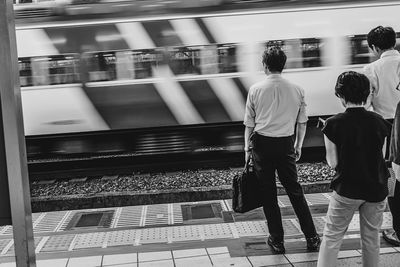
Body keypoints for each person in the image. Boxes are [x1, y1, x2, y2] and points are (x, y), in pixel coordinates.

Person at [243, 46, 320, 254]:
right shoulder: (297, 89)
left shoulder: (255, 89)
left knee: (268, 194)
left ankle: (277, 240)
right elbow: (302, 122)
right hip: (286, 144)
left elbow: (249, 124)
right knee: (295, 191)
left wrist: (247, 151)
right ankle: (312, 237)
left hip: (262, 145)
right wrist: (298, 145)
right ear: (283, 65)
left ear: (265, 65)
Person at [317, 71, 391, 267]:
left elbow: (333, 163)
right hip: (375, 189)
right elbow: (381, 157)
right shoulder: (380, 122)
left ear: (341, 96)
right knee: (371, 239)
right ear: (367, 94)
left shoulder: (332, 124)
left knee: (332, 237)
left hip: (347, 189)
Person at [363, 25, 400, 246]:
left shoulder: (371, 69)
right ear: (394, 42)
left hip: (387, 132)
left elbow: (366, 105)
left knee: (393, 181)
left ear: (375, 47)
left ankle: (398, 230)